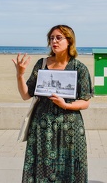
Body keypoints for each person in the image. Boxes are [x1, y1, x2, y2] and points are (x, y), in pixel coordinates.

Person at [12, 24, 93, 182]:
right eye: (51, 38)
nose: (54, 41)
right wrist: (20, 75)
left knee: (70, 169)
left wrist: (66, 105)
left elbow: (85, 101)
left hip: (70, 128)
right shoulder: (42, 64)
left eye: (58, 37)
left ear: (69, 41)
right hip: (43, 127)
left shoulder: (79, 68)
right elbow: (26, 94)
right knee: (42, 168)